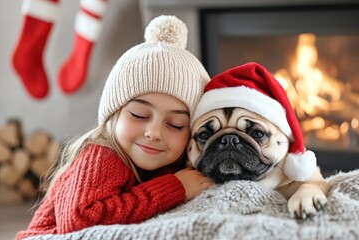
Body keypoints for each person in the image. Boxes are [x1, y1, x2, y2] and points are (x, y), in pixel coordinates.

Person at [16, 15, 212, 239]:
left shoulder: (169, 164)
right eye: (139, 115)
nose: (154, 132)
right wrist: (175, 188)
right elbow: (79, 221)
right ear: (113, 115)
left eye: (176, 125)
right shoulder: (103, 156)